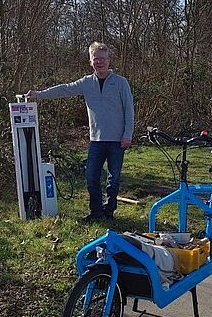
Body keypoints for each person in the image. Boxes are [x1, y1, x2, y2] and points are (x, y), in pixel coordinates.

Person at [26, 42, 134, 222]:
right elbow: (64, 89)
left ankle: (109, 212)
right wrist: (40, 94)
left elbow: (129, 110)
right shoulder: (86, 83)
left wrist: (127, 135)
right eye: (95, 59)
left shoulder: (121, 83)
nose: (99, 62)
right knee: (91, 177)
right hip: (96, 140)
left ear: (109, 60)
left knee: (113, 178)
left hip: (117, 140)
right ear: (91, 61)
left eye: (102, 59)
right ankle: (96, 212)